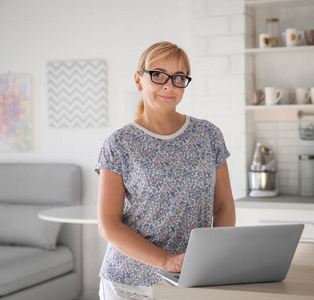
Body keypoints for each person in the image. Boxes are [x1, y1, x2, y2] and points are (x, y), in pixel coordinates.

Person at [95, 41, 235, 300]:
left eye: (178, 77)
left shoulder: (208, 135)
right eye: (158, 75)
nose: (169, 85)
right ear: (139, 80)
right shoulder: (119, 143)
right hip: (129, 282)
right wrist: (167, 261)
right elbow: (108, 225)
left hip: (191, 279)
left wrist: (217, 259)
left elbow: (224, 205)